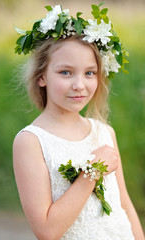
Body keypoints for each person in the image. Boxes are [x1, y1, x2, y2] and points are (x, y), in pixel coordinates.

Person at [13, 4, 144, 240]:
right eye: (65, 72)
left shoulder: (104, 132)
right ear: (42, 76)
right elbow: (46, 231)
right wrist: (93, 172)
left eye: (89, 73)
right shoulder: (31, 141)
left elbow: (125, 206)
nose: (79, 85)